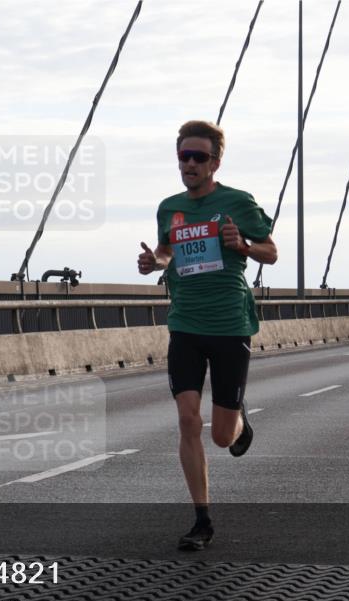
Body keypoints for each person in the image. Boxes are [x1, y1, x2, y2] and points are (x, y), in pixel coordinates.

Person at [137, 120, 278, 550]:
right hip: (185, 325)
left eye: (200, 156)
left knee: (220, 436)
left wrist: (244, 247)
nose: (191, 163)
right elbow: (166, 250)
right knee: (186, 419)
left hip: (230, 324)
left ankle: (238, 425)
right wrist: (156, 263)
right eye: (185, 156)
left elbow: (270, 252)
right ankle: (202, 520)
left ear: (216, 161)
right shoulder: (170, 208)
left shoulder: (237, 202)